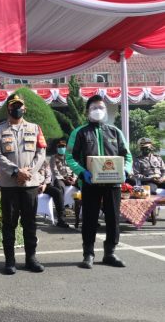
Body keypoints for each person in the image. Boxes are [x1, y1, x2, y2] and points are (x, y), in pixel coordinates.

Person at [66, 94, 132, 269]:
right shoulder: (79, 132)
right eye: (94, 108)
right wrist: (82, 173)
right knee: (89, 218)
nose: (98, 111)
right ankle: (88, 254)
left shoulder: (115, 132)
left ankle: (110, 252)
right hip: (90, 183)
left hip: (113, 184)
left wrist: (125, 170)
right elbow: (70, 157)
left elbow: (127, 155)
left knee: (113, 218)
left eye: (101, 107)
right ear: (88, 111)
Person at [0, 93, 47, 275]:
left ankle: (31, 259)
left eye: (19, 105)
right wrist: (16, 172)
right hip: (9, 185)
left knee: (30, 223)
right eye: (13, 105)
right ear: (8, 108)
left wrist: (28, 172)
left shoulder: (35, 128)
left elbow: (41, 153)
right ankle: (10, 261)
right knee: (9, 224)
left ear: (25, 108)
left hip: (30, 184)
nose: (17, 108)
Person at [38, 159, 70, 228]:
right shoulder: (27, 160)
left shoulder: (44, 162)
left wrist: (44, 184)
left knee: (58, 192)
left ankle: (61, 220)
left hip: (45, 185)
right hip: (32, 185)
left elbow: (48, 176)